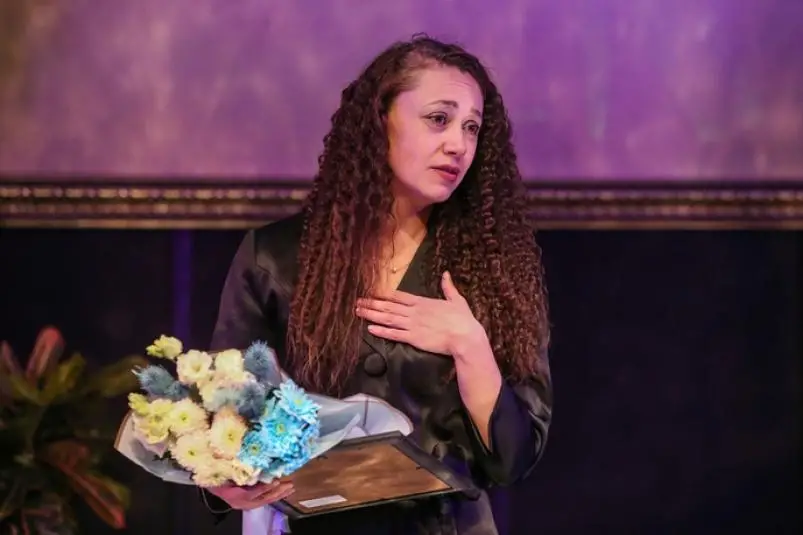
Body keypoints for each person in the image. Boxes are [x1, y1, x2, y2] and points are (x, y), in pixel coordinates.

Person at [202, 35, 553, 535]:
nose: (458, 144)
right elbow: (222, 413)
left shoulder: (493, 268)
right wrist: (224, 477)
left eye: (472, 127)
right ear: (380, 119)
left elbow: (513, 459)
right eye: (439, 119)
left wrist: (470, 345)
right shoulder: (275, 257)